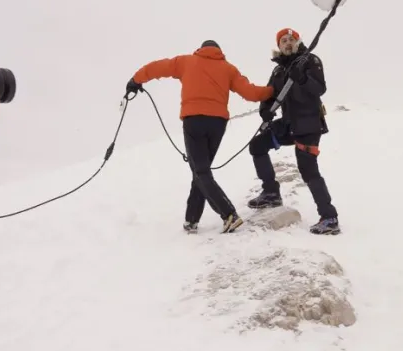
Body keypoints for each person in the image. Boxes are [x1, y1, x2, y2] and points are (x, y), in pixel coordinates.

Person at [127, 40, 273, 233]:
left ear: (201, 49)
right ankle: (191, 220)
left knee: (201, 171)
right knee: (201, 171)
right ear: (219, 51)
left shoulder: (186, 61)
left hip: (194, 121)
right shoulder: (228, 69)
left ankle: (228, 214)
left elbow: (157, 67)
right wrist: (274, 89)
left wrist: (135, 80)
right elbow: (252, 93)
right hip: (217, 124)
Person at [246, 28, 339, 235]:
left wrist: (303, 79)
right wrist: (265, 110)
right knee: (257, 146)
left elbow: (320, 88)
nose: (288, 43)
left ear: (298, 42)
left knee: (307, 168)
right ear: (278, 46)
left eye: (291, 40)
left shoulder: (310, 61)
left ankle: (329, 217)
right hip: (289, 124)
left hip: (309, 124)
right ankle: (271, 193)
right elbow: (271, 94)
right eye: (284, 41)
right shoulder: (279, 70)